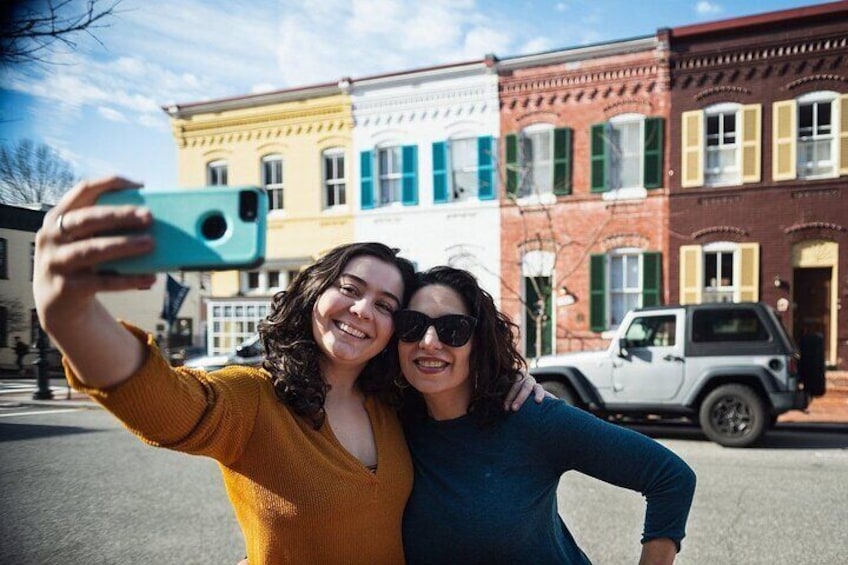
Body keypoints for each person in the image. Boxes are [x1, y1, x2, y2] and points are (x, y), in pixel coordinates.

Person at [33, 177, 543, 564]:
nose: (364, 310)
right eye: (349, 288)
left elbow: (458, 404)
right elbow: (163, 402)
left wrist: (509, 382)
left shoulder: (394, 406)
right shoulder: (254, 401)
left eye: (387, 305)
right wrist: (71, 316)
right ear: (311, 295)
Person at [395, 266, 697, 564]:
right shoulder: (392, 422)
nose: (429, 341)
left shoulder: (528, 417)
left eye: (453, 329)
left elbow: (670, 478)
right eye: (412, 324)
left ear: (479, 341)